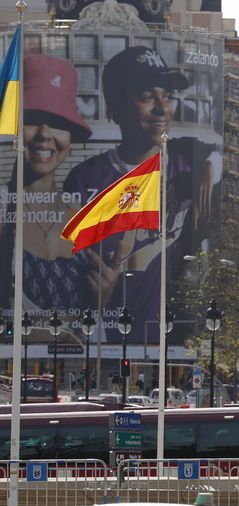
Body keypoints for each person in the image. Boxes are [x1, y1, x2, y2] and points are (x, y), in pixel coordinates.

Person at [63, 45, 221, 341]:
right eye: (147, 97)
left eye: (168, 96)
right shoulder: (85, 178)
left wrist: (211, 166)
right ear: (115, 105)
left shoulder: (186, 160)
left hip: (174, 340)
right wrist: (97, 302)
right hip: (104, 344)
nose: (162, 107)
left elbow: (218, 152)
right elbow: (67, 279)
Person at [0, 54, 122, 313]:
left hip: (77, 354)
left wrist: (104, 298)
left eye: (58, 123)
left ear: (71, 137)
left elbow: (92, 321)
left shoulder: (82, 217)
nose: (44, 134)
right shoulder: (2, 208)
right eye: (33, 119)